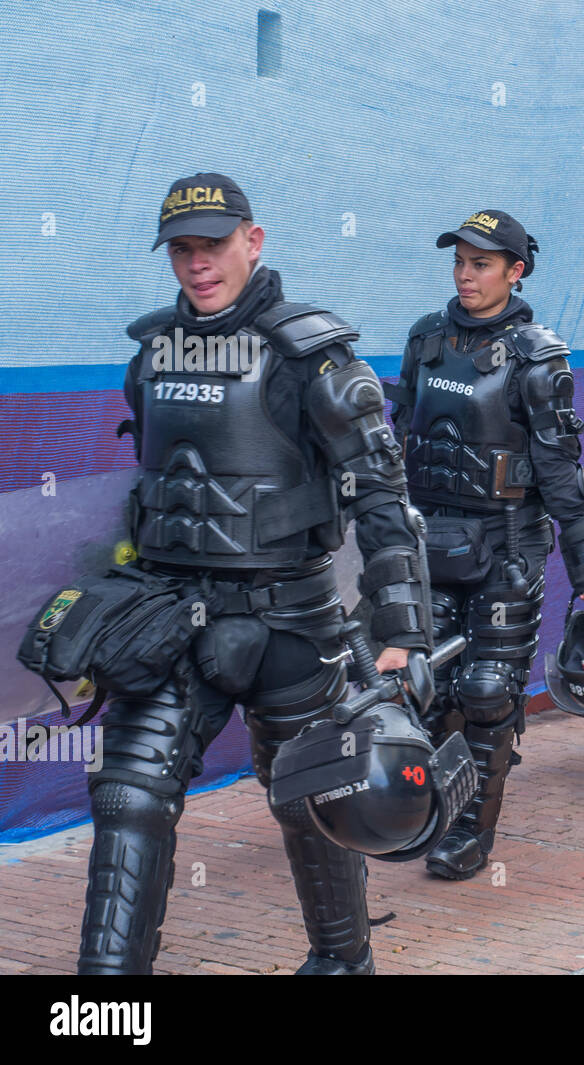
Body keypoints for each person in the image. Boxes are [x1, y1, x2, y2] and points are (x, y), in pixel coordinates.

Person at [80, 173, 431, 974]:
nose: (198, 264)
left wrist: (403, 634)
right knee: (129, 797)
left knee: (317, 794)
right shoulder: (152, 350)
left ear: (254, 241)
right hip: (173, 619)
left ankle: (344, 962)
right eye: (182, 250)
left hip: (293, 622)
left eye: (213, 245)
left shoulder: (314, 356)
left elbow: (382, 495)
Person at [386, 210, 584, 879]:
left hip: (506, 549)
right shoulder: (426, 339)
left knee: (487, 690)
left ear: (516, 271)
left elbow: (561, 472)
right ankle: (428, 806)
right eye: (459, 261)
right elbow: (401, 438)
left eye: (481, 263)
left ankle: (469, 831)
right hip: (431, 545)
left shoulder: (538, 357)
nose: (465, 275)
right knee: (427, 689)